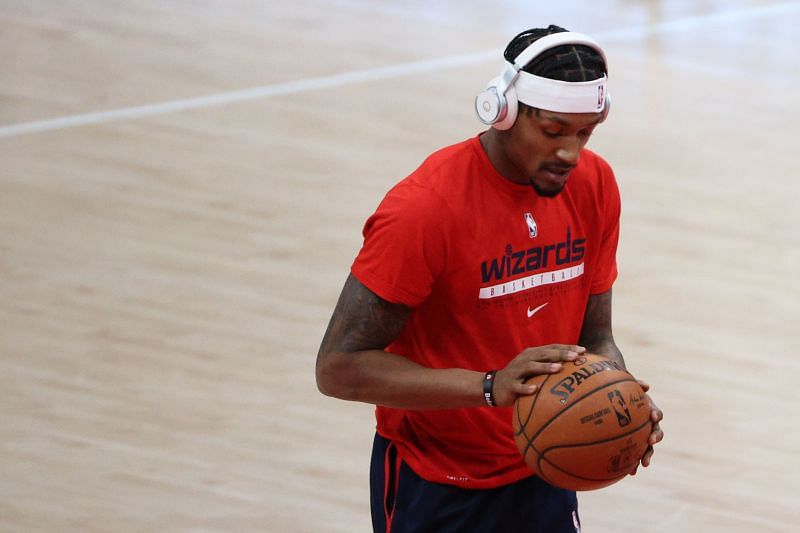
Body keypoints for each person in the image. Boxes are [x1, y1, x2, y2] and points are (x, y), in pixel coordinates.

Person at [316, 25, 664, 533]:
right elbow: (339, 369)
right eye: (553, 130)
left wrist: (620, 398)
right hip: (438, 485)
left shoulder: (594, 184)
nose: (571, 151)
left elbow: (596, 339)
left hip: (544, 466)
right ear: (502, 111)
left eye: (584, 133)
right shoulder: (425, 210)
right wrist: (488, 387)